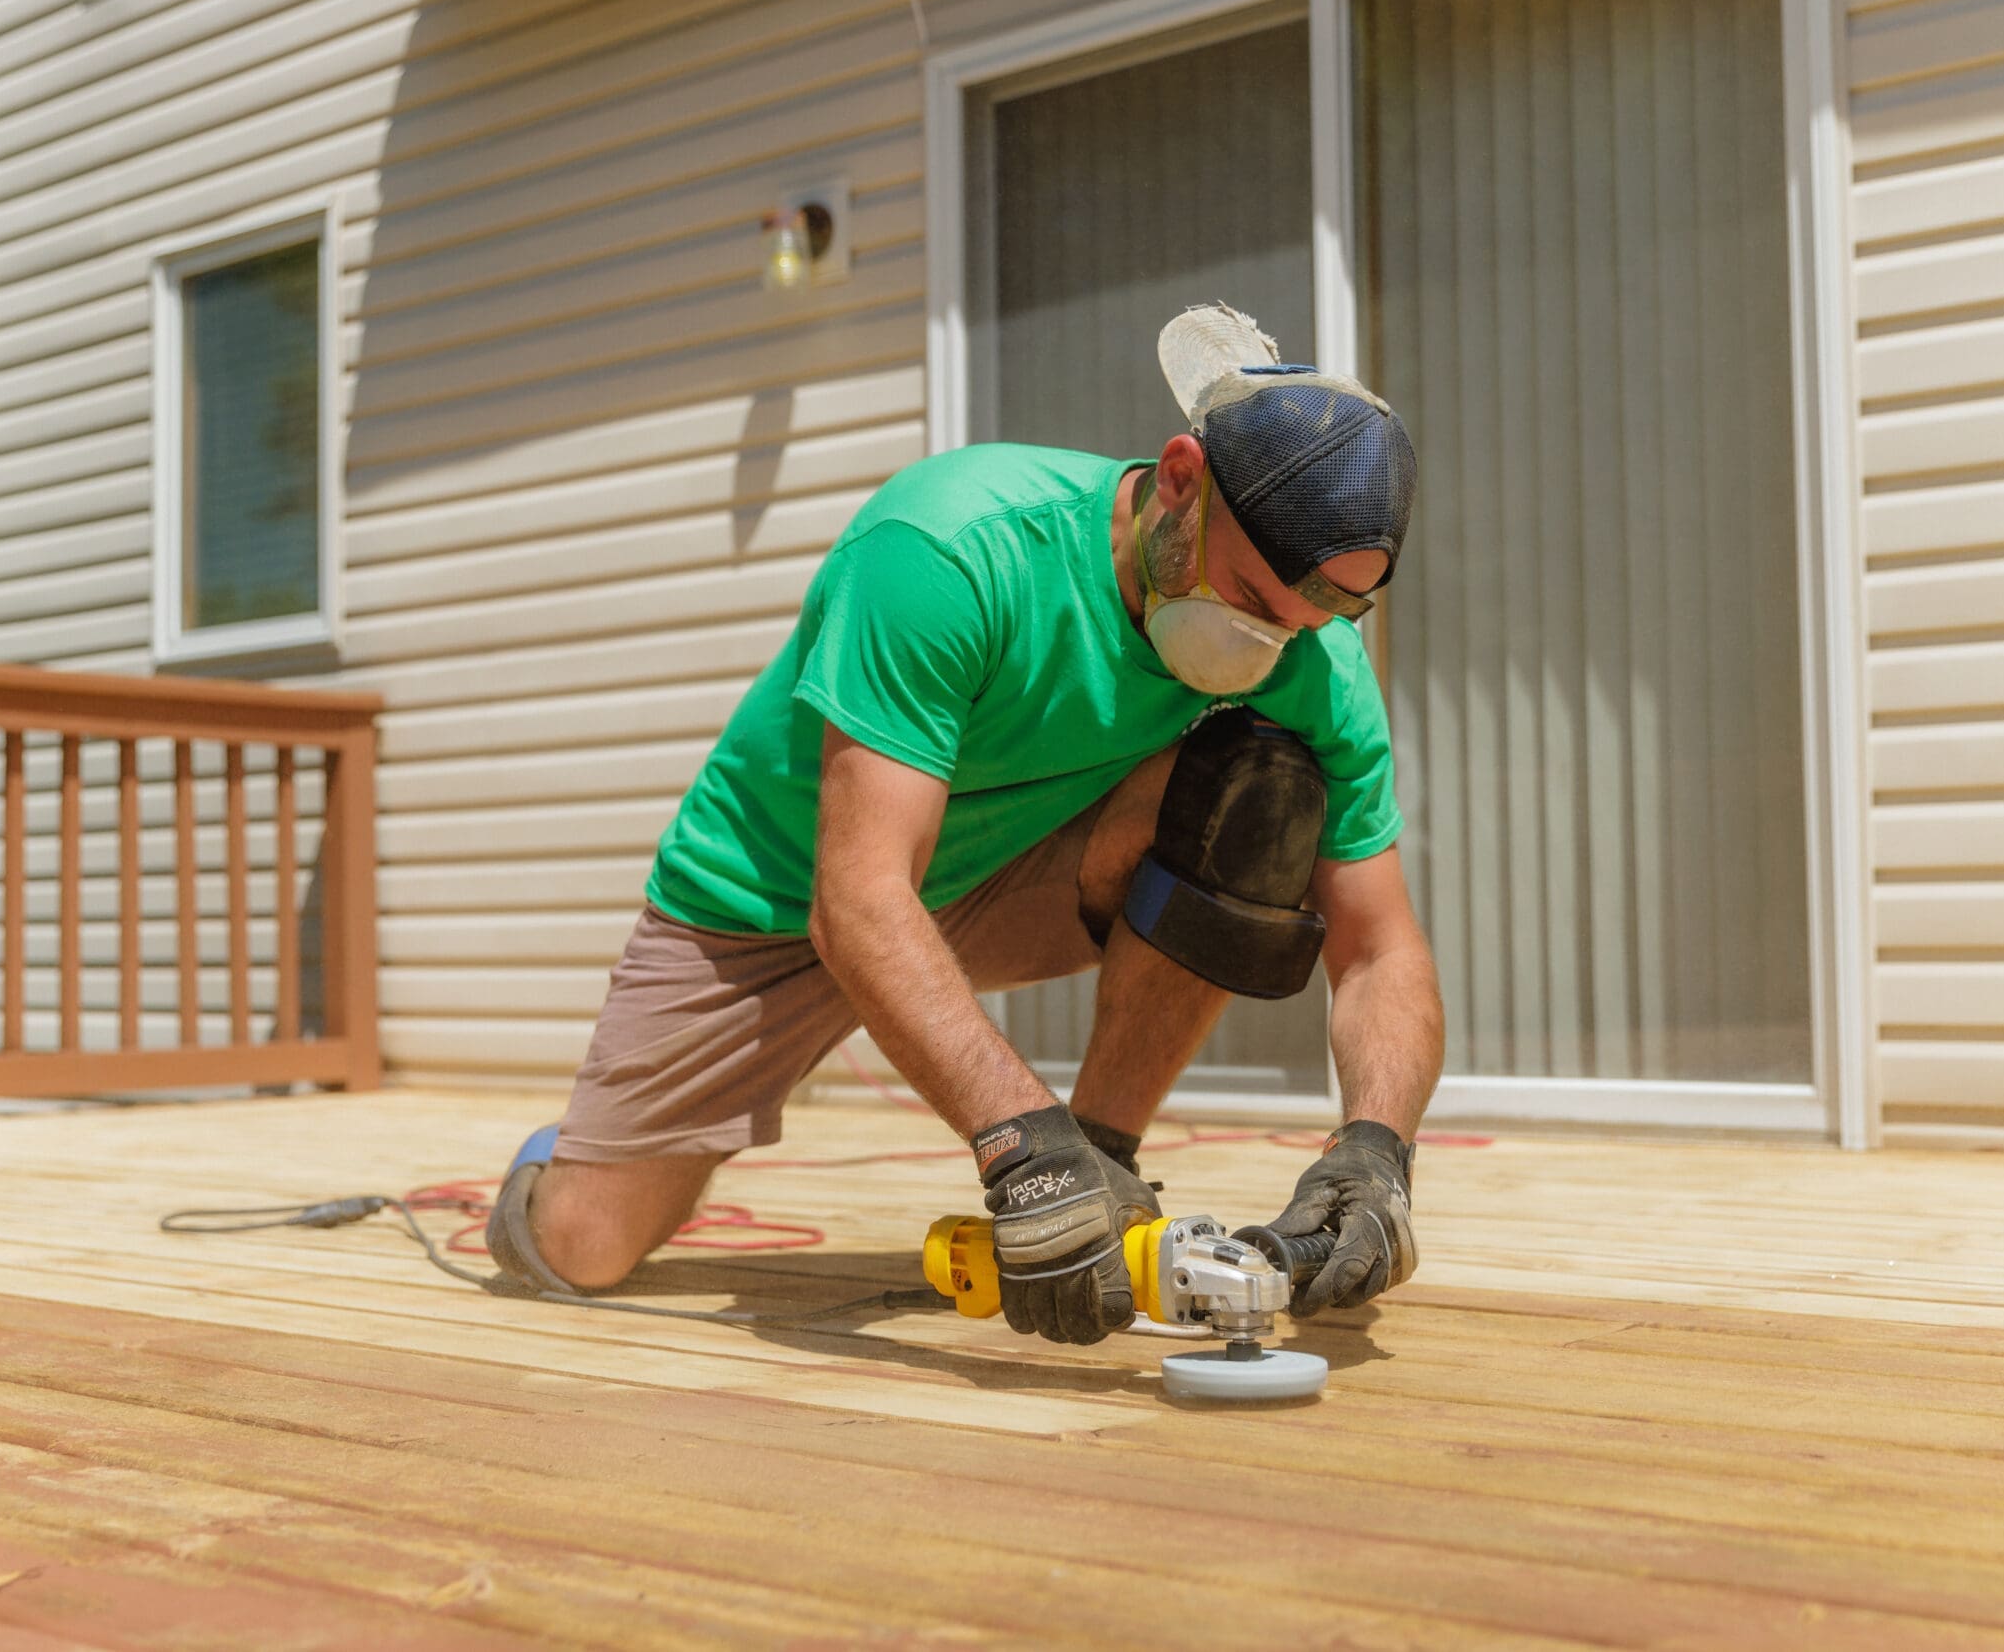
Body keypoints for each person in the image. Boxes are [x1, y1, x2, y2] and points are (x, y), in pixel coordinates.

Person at [488, 304, 1445, 1345]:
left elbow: (1379, 948)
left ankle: (1105, 1163)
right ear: (1179, 480)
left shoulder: (1310, 660)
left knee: (1259, 786)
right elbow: (856, 898)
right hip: (768, 901)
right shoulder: (948, 547)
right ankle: (555, 1168)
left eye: (1309, 622)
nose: (1264, 644)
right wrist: (1021, 1151)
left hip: (1004, 886)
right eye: (1250, 594)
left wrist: (1377, 1150)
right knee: (583, 1249)